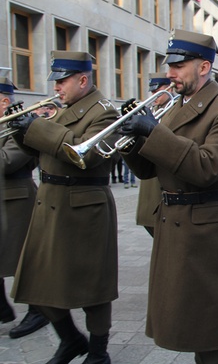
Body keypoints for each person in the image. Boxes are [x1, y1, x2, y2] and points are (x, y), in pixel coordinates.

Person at [119, 29, 218, 364]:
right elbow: (149, 170)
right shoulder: (176, 106)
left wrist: (154, 132)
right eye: (169, 64)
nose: (170, 72)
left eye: (178, 65)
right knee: (184, 316)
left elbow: (207, 168)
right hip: (173, 223)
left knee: (208, 324)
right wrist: (131, 140)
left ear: (204, 67)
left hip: (208, 229)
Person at [9, 51, 120, 364]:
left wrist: (37, 129)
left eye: (62, 81)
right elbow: (43, 148)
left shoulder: (104, 112)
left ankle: (98, 351)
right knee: (38, 279)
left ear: (83, 80)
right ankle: (70, 339)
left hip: (84, 206)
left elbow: (83, 152)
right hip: (50, 202)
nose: (57, 88)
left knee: (93, 286)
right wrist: (22, 133)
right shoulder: (62, 109)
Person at [0, 78, 50, 339]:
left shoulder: (20, 124)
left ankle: (38, 310)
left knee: (25, 262)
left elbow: (9, 161)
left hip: (17, 201)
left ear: (4, 101)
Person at [134, 72, 174, 237]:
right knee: (149, 222)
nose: (154, 95)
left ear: (168, 88)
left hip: (164, 176)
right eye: (152, 91)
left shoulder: (174, 108)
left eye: (158, 90)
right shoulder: (152, 110)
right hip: (149, 178)